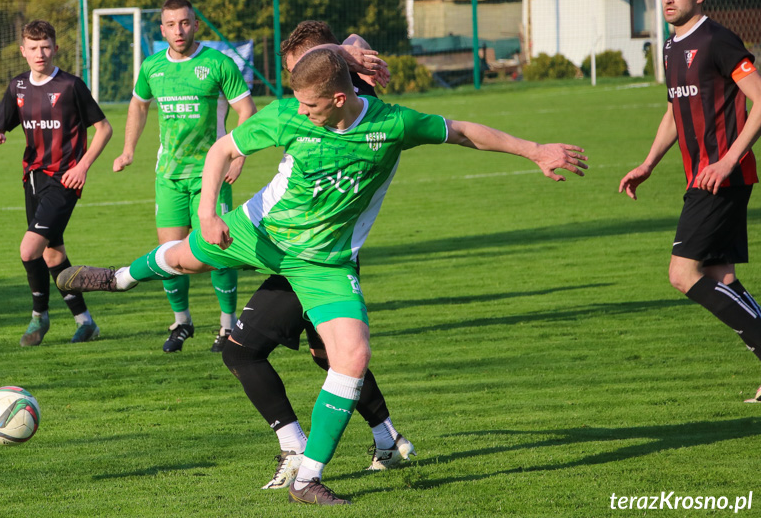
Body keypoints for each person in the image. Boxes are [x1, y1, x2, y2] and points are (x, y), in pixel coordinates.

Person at [57, 48, 587, 504]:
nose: (301, 112)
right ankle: (120, 278)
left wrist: (534, 150)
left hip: (323, 263)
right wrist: (207, 214)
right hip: (262, 231)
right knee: (186, 256)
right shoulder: (289, 115)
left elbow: (463, 131)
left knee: (352, 354)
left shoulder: (390, 124)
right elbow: (224, 148)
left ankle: (308, 477)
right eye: (299, 104)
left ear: (338, 99)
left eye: (311, 105)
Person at [222, 21, 412, 491]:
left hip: (313, 253)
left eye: (304, 79)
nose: (298, 97)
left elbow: (357, 44)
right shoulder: (316, 102)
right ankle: (388, 439)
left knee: (243, 351)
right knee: (330, 354)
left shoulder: (354, 87)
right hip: (314, 246)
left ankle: (297, 455)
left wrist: (349, 54)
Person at [619, 0, 761, 402]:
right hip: (701, 174)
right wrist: (648, 163)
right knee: (719, 276)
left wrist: (728, 160)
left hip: (722, 177)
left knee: (682, 273)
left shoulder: (718, 41)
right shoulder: (669, 47)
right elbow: (674, 112)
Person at [112, 0, 257, 354]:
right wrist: (129, 149)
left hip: (211, 176)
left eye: (185, 23)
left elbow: (247, 111)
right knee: (167, 253)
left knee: (218, 248)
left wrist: (238, 157)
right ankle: (182, 322)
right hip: (169, 176)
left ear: (195, 25)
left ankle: (227, 327)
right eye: (171, 24)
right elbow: (138, 105)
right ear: (162, 29)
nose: (179, 30)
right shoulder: (152, 67)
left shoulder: (218, 64)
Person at [0, 19, 113, 346]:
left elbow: (104, 129)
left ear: (55, 48)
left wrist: (83, 166)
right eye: (33, 48)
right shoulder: (18, 87)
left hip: (64, 180)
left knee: (29, 250)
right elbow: (0, 124)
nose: (40, 53)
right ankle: (86, 322)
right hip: (33, 179)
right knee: (53, 256)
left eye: (46, 47)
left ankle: (38, 316)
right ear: (23, 51)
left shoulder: (71, 86)